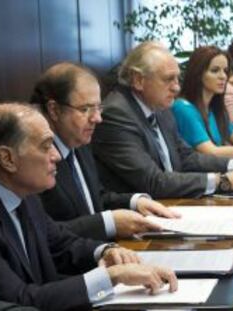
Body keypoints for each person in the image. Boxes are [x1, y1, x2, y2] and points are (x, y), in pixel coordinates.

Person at [0, 103, 177, 311]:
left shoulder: (23, 194)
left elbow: (61, 244)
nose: (57, 156)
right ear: (7, 158)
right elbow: (20, 299)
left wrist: (106, 251)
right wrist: (111, 277)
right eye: (46, 146)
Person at [92, 41, 233, 199]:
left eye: (177, 78)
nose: (176, 88)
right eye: (169, 79)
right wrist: (221, 181)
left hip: (173, 203)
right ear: (138, 80)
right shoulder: (116, 114)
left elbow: (186, 157)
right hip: (138, 219)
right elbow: (154, 181)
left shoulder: (161, 107)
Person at [30, 62, 179, 241]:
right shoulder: (37, 160)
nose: (97, 118)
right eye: (85, 109)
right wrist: (108, 222)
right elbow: (44, 232)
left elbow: (95, 199)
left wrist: (135, 202)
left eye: (98, 108)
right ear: (54, 110)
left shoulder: (80, 142)